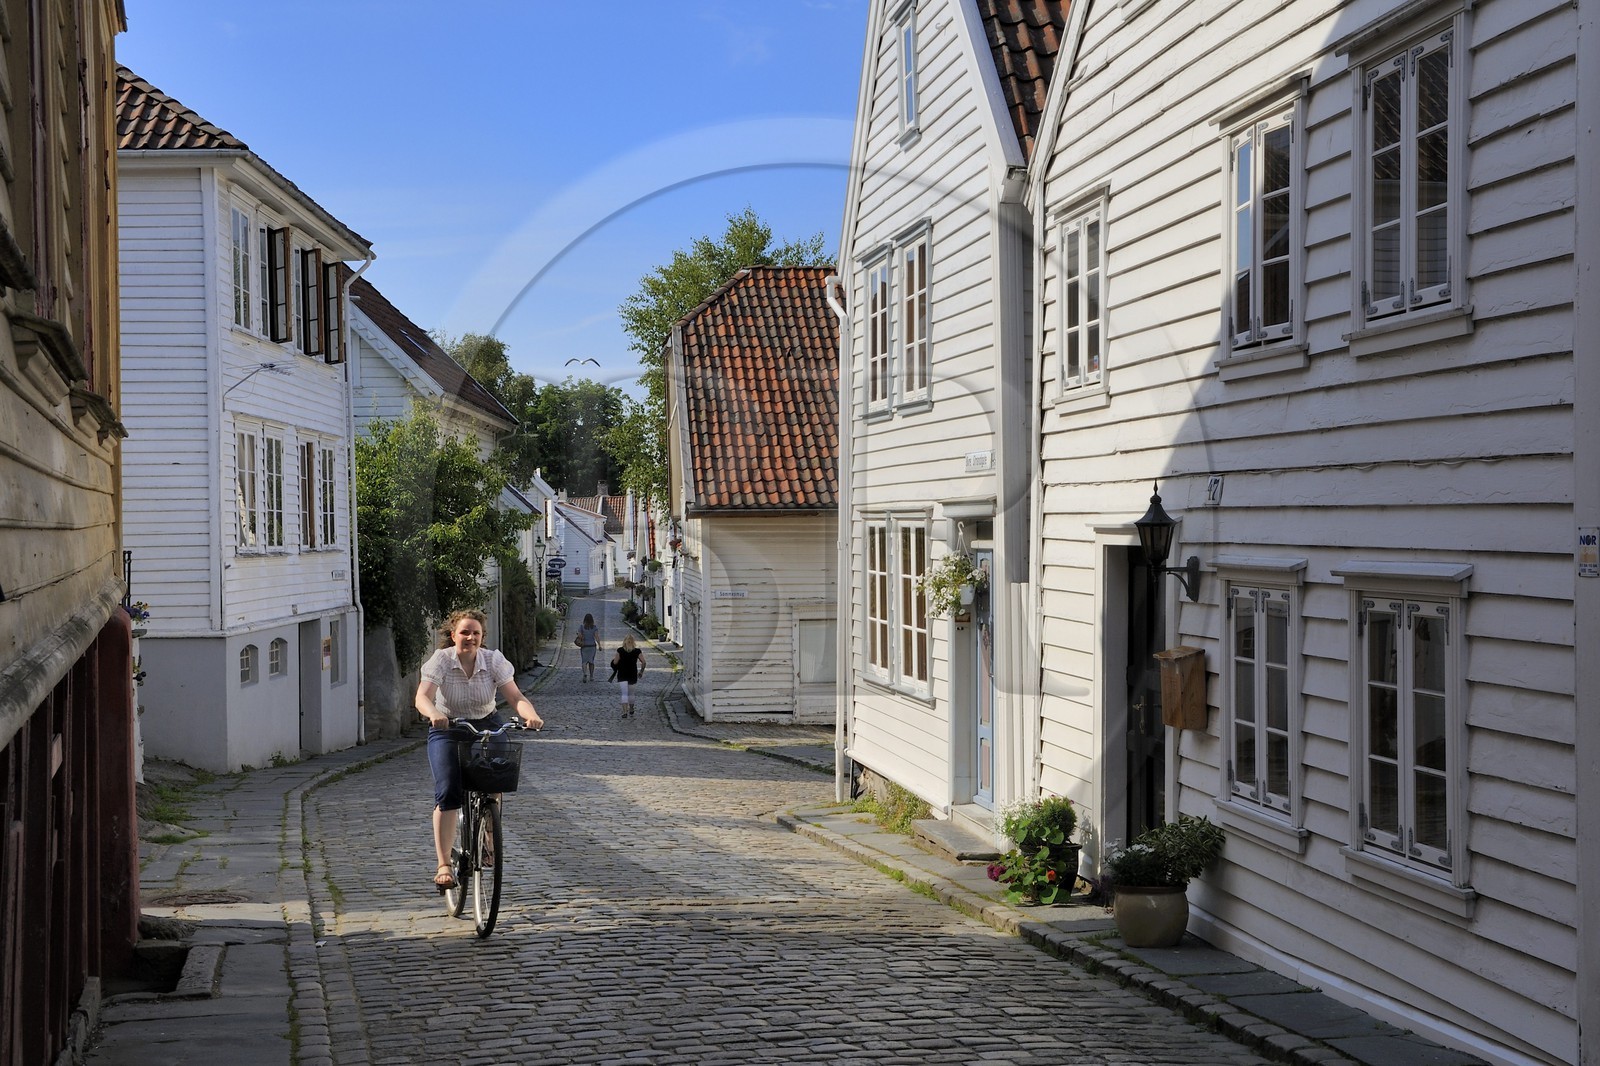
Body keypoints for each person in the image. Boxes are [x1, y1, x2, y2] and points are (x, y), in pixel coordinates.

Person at [415, 608, 543, 889]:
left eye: (476, 633)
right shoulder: (441, 661)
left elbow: (515, 695)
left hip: (487, 722)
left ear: (482, 637)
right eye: (464, 632)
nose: (470, 637)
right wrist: (434, 714)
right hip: (448, 727)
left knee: (497, 772)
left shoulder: (493, 660)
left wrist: (529, 714)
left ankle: (488, 833)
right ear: (453, 635)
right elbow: (422, 696)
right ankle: (444, 864)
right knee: (448, 791)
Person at [611, 635, 645, 718]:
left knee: (624, 693)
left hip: (622, 674)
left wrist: (613, 661)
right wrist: (641, 672)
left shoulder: (620, 650)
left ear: (624, 642)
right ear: (633, 642)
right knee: (631, 693)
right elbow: (643, 662)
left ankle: (624, 711)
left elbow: (615, 663)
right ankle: (631, 708)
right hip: (632, 674)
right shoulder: (637, 651)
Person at [575, 612, 599, 682]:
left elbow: (579, 636)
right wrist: (600, 645)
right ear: (592, 620)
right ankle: (591, 676)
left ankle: (585, 673)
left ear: (584, 619)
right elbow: (597, 637)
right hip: (592, 646)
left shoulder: (581, 627)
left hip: (584, 646)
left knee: (584, 661)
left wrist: (579, 634)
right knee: (591, 661)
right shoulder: (594, 627)